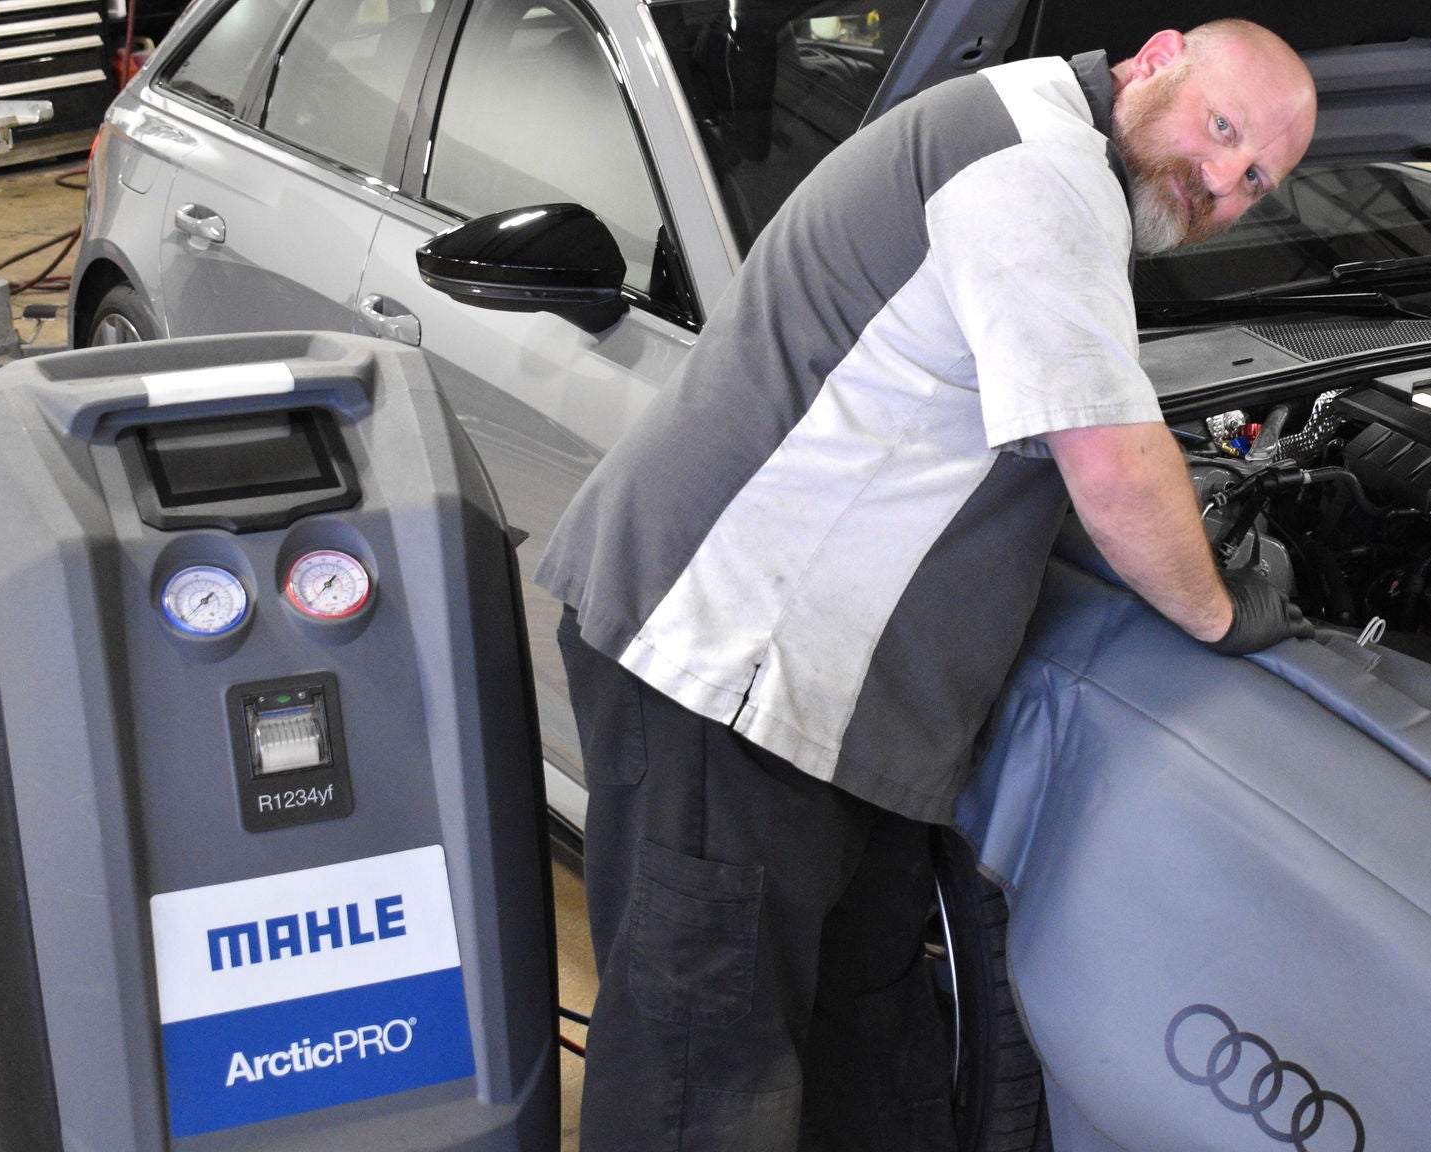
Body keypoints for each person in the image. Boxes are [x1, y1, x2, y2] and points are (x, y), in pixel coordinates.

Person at [534, 19, 1318, 1151]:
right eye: (1221, 130)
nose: (1219, 182)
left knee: (868, 1051)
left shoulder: (1043, 148)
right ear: (1154, 59)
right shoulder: (1037, 168)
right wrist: (1218, 605)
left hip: (826, 712)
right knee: (702, 1076)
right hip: (723, 671)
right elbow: (1105, 455)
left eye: (1255, 180)